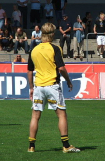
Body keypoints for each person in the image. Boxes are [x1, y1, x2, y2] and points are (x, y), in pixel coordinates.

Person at [27, 22, 80, 153]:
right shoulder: (55, 48)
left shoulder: (34, 49)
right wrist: (68, 81)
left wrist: (31, 87)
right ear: (52, 34)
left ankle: (31, 147)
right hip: (52, 85)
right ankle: (66, 145)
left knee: (35, 116)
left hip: (39, 86)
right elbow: (61, 68)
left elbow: (29, 70)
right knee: (61, 115)